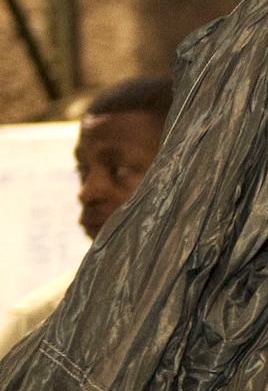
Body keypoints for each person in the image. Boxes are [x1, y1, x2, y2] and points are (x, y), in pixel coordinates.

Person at [0, 75, 172, 356]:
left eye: (119, 170)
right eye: (83, 171)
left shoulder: (251, 308)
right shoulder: (37, 327)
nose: (88, 192)